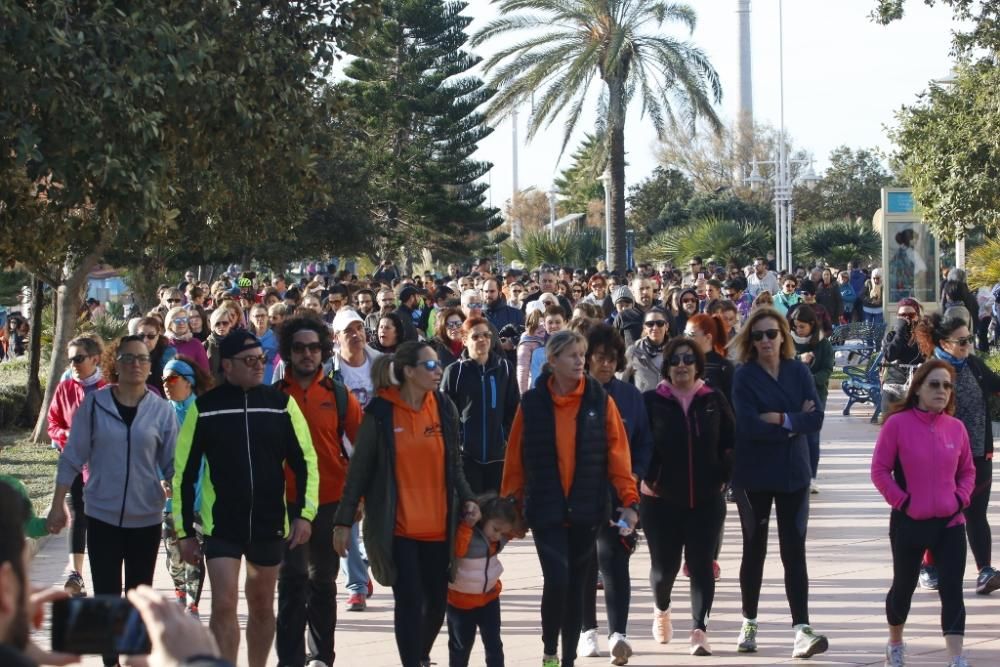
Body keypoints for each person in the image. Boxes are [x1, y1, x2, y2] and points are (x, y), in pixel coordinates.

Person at [172, 330, 319, 667]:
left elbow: (306, 461)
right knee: (223, 604)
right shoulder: (205, 408)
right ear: (227, 365)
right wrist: (183, 533)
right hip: (221, 524)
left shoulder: (281, 404)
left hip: (268, 523)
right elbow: (184, 473)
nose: (258, 366)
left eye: (261, 360)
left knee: (262, 603)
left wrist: (305, 515)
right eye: (249, 360)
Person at [332, 341, 480, 667]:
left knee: (437, 604)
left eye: (438, 363)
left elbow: (454, 465)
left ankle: (420, 654)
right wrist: (343, 522)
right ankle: (412, 661)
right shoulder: (381, 412)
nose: (438, 369)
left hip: (440, 527)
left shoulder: (443, 406)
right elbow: (358, 473)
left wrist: (468, 498)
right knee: (410, 601)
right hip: (398, 529)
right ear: (409, 372)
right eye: (429, 365)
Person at [501, 330, 640, 667]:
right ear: (552, 361)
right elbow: (515, 459)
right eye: (572, 355)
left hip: (587, 507)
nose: (580, 361)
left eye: (582, 354)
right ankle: (550, 650)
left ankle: (566, 660)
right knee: (558, 579)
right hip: (546, 508)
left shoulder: (599, 400)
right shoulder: (532, 404)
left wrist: (630, 502)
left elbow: (619, 456)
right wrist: (509, 507)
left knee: (577, 584)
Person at [46, 335, 179, 667]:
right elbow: (72, 456)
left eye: (142, 359)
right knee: (106, 596)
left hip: (146, 517)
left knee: (137, 597)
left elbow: (173, 463)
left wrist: (180, 500)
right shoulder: (95, 404)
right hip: (102, 514)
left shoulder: (161, 410)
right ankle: (110, 662)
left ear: (150, 367)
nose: (135, 364)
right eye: (128, 358)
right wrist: (57, 503)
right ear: (114, 364)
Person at [729, 308, 828, 658]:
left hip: (793, 474)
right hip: (753, 475)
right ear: (750, 341)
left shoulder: (798, 371)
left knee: (793, 549)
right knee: (754, 548)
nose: (766, 341)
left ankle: (801, 627)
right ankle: (749, 621)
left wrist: (781, 418)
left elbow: (815, 419)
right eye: (758, 336)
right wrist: (792, 424)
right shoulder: (743, 377)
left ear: (783, 335)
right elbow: (748, 427)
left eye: (772, 333)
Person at [871, 360, 976, 667]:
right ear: (917, 389)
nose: (941, 390)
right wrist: (903, 502)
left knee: (953, 589)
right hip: (909, 522)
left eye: (946, 385)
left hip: (950, 522)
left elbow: (968, 471)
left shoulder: (956, 428)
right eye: (934, 384)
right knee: (903, 586)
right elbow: (880, 471)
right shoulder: (897, 424)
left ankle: (956, 656)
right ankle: (895, 643)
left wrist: (960, 499)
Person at [274, 316, 363, 667]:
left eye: (314, 347)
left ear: (324, 351)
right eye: (299, 348)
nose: (307, 354)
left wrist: (360, 499)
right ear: (288, 353)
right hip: (287, 502)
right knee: (292, 581)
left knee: (322, 583)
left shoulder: (339, 395)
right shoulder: (276, 396)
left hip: (329, 499)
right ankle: (290, 659)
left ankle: (321, 657)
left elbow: (364, 448)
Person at [641, 337, 734, 657]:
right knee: (664, 569)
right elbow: (639, 446)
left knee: (701, 565)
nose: (682, 365)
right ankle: (661, 608)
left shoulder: (713, 399)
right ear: (667, 366)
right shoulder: (651, 400)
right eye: (676, 360)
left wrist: (724, 474)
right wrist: (650, 476)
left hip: (706, 500)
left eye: (689, 359)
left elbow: (730, 441)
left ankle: (699, 630)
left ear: (697, 366)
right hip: (660, 500)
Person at [579, 324, 652, 664]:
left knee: (614, 560)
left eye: (611, 359)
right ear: (587, 359)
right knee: (583, 562)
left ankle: (618, 634)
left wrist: (635, 473)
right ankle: (586, 631)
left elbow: (644, 442)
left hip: (619, 494)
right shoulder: (574, 393)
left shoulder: (630, 397)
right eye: (599, 358)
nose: (606, 365)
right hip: (579, 492)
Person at [914, 313, 1000, 596]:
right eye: (961, 341)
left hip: (977, 454)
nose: (967, 346)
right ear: (944, 343)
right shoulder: (931, 372)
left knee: (976, 513)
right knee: (938, 513)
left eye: (970, 340)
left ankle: (985, 570)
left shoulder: (973, 365)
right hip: (941, 456)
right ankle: (930, 567)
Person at [46, 336, 107, 598]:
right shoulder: (65, 387)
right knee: (78, 514)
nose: (73, 364)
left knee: (102, 521)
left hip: (105, 466)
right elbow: (53, 423)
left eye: (78, 358)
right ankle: (76, 575)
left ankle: (107, 574)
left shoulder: (110, 388)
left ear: (95, 359)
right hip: (74, 463)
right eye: (70, 359)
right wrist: (67, 434)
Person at [330, 308, 382, 612]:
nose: (355, 334)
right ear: (337, 337)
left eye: (359, 328)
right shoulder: (331, 371)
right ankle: (356, 587)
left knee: (376, 521)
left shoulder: (381, 365)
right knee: (346, 520)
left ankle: (364, 562)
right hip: (342, 456)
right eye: (348, 330)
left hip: (377, 455)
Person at [161, 356, 215, 618]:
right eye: (163, 379)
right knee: (173, 555)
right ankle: (180, 591)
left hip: (198, 499)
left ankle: (192, 603)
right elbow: (152, 451)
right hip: (169, 499)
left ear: (189, 382)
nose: (166, 384)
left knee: (194, 551)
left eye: (172, 379)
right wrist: (161, 477)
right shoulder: (160, 413)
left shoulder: (204, 411)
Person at [440, 317, 520, 494]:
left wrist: (505, 437)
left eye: (486, 335)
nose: (482, 339)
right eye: (476, 336)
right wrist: (459, 440)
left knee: (497, 510)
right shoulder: (455, 372)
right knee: (472, 511)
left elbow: (513, 408)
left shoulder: (505, 368)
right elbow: (445, 413)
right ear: (465, 340)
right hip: (467, 457)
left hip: (498, 455)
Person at [446, 494, 519, 667]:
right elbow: (457, 549)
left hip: (490, 599)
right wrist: (467, 525)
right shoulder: (466, 535)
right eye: (496, 529)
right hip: (460, 602)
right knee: (460, 647)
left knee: (494, 645)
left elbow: (514, 532)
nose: (498, 535)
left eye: (502, 531)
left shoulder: (496, 539)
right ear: (483, 518)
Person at [787, 305, 834, 493]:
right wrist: (800, 359)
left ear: (812, 325)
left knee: (812, 438)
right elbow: (784, 363)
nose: (798, 330)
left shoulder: (823, 344)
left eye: (802, 327)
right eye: (796, 326)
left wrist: (811, 380)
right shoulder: (787, 340)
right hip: (792, 394)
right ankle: (793, 472)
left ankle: (811, 476)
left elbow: (827, 370)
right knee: (792, 434)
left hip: (816, 394)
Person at [882, 298, 924, 410]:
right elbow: (890, 356)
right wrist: (900, 331)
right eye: (902, 315)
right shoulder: (892, 336)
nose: (906, 318)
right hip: (894, 385)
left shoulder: (924, 337)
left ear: (917, 316)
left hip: (918, 386)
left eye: (910, 314)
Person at [684, 313, 734, 403]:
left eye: (691, 335)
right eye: (685, 334)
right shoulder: (681, 362)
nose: (686, 339)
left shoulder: (723, 366)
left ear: (707, 338)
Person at [620, 306, 669, 393]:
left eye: (660, 323)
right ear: (644, 328)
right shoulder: (633, 351)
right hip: (643, 404)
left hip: (669, 404)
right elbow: (620, 382)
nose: (655, 327)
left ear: (666, 326)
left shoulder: (675, 350)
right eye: (650, 324)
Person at [164, 306, 211, 374]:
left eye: (184, 319)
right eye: (177, 320)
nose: (181, 323)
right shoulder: (164, 344)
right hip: (168, 382)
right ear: (169, 324)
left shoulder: (195, 344)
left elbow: (205, 372)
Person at [517, 305, 547, 394]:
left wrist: (523, 394)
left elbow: (523, 370)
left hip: (534, 388)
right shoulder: (549, 337)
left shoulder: (526, 342)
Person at [247, 303, 279, 384]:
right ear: (251, 318)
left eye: (263, 315)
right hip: (252, 383)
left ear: (267, 317)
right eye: (257, 316)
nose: (260, 319)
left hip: (271, 383)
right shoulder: (247, 339)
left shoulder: (276, 338)